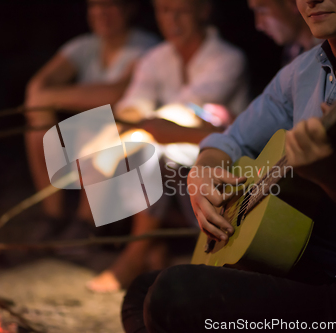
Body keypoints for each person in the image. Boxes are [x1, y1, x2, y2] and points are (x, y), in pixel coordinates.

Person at [121, 0, 336, 331]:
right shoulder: (303, 71)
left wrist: (335, 177)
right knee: (142, 291)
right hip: (299, 263)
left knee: (174, 295)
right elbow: (230, 141)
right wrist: (202, 172)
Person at [87, 0, 250, 293]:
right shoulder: (156, 58)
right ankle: (154, 246)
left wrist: (131, 136)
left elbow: (186, 110)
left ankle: (135, 255)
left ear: (203, 10)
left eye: (181, 10)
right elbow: (132, 107)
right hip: (173, 162)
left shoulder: (227, 58)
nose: (172, 19)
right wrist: (133, 128)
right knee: (139, 152)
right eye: (163, 10)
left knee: (151, 153)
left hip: (218, 157)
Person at [24, 0, 158, 230]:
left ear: (129, 8)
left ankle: (85, 225)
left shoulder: (145, 48)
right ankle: (52, 218)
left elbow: (117, 94)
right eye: (95, 5)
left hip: (128, 135)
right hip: (84, 132)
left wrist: (53, 98)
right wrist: (47, 106)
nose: (101, 13)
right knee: (39, 132)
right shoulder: (84, 46)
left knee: (95, 132)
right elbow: (36, 90)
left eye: (110, 5)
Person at [248, 0, 319, 65]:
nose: (259, 25)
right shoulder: (291, 55)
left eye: (263, 12)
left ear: (293, 3)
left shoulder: (326, 48)